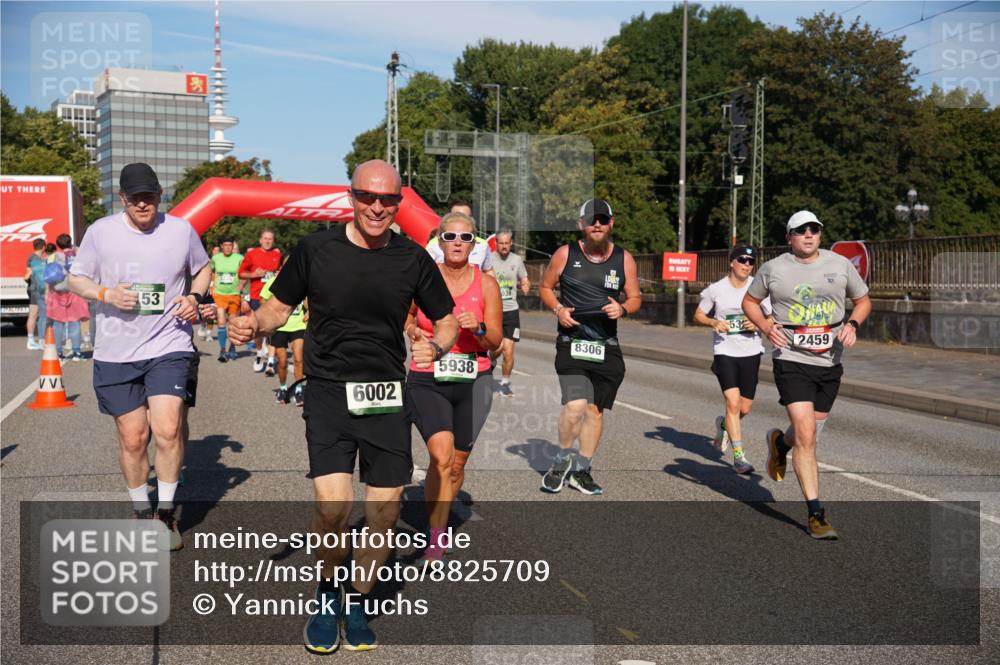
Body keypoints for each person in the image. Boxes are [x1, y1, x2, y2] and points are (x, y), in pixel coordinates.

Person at [229, 160, 457, 653]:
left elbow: (447, 320)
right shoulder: (315, 249)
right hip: (330, 390)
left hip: (386, 396)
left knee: (383, 513)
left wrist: (435, 347)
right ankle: (327, 591)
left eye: (388, 200)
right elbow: (277, 307)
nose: (377, 207)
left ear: (399, 203)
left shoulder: (413, 258)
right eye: (367, 197)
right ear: (350, 197)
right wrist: (254, 324)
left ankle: (357, 597)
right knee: (334, 508)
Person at [68, 162, 215, 550]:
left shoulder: (181, 230)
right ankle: (140, 510)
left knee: (167, 429)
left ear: (159, 195)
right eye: (136, 199)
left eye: (150, 196)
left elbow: (204, 269)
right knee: (134, 439)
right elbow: (76, 278)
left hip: (169, 344)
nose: (144, 204)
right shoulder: (101, 232)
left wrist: (195, 297)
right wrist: (106, 294)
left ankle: (165, 516)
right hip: (117, 350)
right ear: (123, 199)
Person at [742, 210, 871, 540]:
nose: (809, 234)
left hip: (829, 362)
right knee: (808, 437)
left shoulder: (839, 264)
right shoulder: (773, 269)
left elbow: (863, 300)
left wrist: (853, 325)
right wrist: (767, 326)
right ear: (790, 237)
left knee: (809, 430)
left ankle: (779, 445)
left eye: (814, 229)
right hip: (791, 359)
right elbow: (750, 302)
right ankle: (816, 513)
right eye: (801, 230)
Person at [405, 212, 502, 565]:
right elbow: (408, 315)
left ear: (474, 244)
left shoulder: (486, 284)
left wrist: (477, 328)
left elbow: (495, 341)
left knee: (457, 465)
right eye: (450, 237)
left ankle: (440, 524)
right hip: (428, 375)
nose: (457, 244)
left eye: (465, 238)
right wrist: (415, 332)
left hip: (475, 378)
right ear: (439, 241)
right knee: (441, 457)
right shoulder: (425, 277)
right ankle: (435, 536)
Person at [538, 199, 641, 495]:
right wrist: (559, 309)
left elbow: (635, 297)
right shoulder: (565, 254)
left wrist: (623, 308)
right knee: (575, 406)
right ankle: (561, 461)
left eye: (603, 220)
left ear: (611, 223)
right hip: (572, 343)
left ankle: (581, 470)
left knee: (595, 412)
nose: (597, 224)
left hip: (606, 345)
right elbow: (545, 287)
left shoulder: (624, 259)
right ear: (581, 224)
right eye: (591, 220)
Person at [694, 245, 772, 475]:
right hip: (725, 351)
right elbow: (699, 314)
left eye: (750, 261)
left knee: (744, 407)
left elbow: (770, 316)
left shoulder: (758, 288)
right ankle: (739, 457)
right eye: (742, 260)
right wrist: (713, 323)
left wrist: (758, 322)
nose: (747, 264)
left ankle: (723, 425)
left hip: (751, 351)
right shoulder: (716, 289)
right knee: (733, 403)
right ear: (731, 262)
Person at [259, 255, 307, 406]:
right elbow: (262, 297)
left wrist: (308, 310)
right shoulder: (275, 281)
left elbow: (309, 300)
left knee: (299, 359)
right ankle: (282, 388)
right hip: (279, 327)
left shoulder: (304, 281)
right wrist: (271, 312)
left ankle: (299, 390)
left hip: (298, 325)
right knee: (283, 362)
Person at [489, 229, 530, 396]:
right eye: (501, 243)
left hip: (511, 310)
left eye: (507, 243)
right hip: (493, 310)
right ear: (496, 243)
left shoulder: (517, 260)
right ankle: (489, 362)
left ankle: (505, 383)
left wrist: (525, 284)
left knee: (508, 349)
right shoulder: (489, 259)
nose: (504, 246)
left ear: (511, 243)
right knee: (497, 348)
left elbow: (524, 278)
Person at [238, 229, 281, 373]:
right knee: (257, 329)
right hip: (257, 296)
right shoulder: (252, 254)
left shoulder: (277, 255)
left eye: (270, 239)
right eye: (265, 238)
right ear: (260, 240)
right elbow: (241, 273)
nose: (268, 241)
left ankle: (270, 361)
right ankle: (258, 353)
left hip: (274, 297)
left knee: (273, 329)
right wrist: (253, 274)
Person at [46, 233, 90, 361]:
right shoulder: (77, 254)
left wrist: (47, 293)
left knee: (58, 323)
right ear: (70, 242)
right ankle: (76, 352)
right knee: (74, 321)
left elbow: (47, 275)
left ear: (58, 245)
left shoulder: (53, 256)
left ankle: (58, 352)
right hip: (74, 291)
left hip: (57, 292)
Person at [426, 200, 495, 276]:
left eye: (465, 217)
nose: (460, 221)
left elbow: (488, 270)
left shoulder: (483, 245)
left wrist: (491, 285)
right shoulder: (433, 245)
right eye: (456, 216)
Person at [210, 236, 243, 362]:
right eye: (225, 245)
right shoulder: (215, 258)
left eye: (230, 245)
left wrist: (242, 285)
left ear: (232, 246)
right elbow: (212, 272)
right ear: (222, 246)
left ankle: (232, 347)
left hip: (234, 294)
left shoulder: (239, 258)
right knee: (221, 320)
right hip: (220, 294)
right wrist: (212, 285)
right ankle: (222, 350)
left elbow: (244, 273)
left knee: (233, 324)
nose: (228, 247)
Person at [24, 238, 48, 349]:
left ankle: (32, 339)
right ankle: (31, 341)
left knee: (35, 314)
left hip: (32, 288)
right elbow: (27, 275)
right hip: (35, 289)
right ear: (43, 247)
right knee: (34, 314)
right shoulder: (36, 259)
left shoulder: (32, 258)